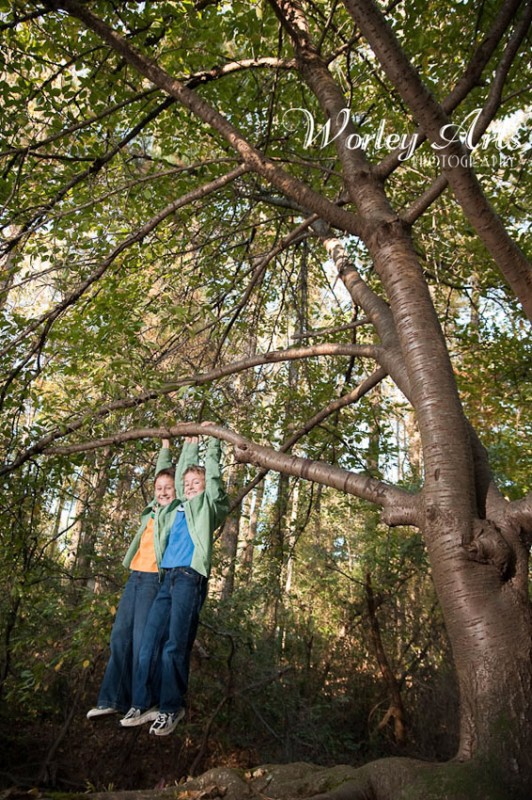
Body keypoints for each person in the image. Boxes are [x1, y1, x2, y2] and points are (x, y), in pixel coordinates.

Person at [120, 430, 229, 736]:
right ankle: (143, 703)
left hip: (189, 579)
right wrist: (185, 445)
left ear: (205, 488)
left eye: (197, 483)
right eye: (188, 484)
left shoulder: (208, 507)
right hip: (167, 579)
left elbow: (214, 479)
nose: (190, 486)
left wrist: (211, 440)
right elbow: (175, 475)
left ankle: (171, 708)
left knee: (173, 646)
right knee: (148, 644)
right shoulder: (174, 507)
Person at [86, 439, 177, 719]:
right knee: (120, 637)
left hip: (153, 580)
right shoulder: (152, 509)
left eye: (168, 488)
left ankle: (144, 702)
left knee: (142, 642)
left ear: (178, 491)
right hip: (135, 578)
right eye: (158, 489)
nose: (162, 492)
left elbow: (175, 475)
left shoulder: (177, 511)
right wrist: (164, 445)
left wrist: (186, 448)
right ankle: (112, 699)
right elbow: (160, 474)